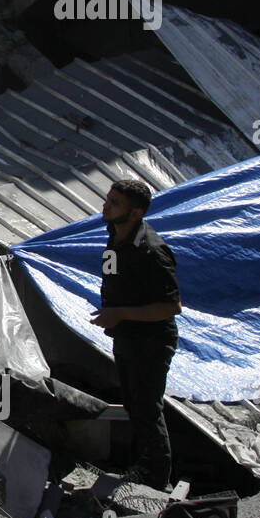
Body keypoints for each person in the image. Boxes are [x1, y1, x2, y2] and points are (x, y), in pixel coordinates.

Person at [92, 179, 183, 491]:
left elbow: (171, 307)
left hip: (151, 341)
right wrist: (112, 313)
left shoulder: (152, 251)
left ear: (135, 213)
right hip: (127, 337)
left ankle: (156, 479)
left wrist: (120, 314)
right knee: (134, 404)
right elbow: (115, 278)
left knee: (146, 408)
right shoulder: (114, 236)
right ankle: (143, 467)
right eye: (108, 199)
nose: (106, 206)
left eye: (115, 203)